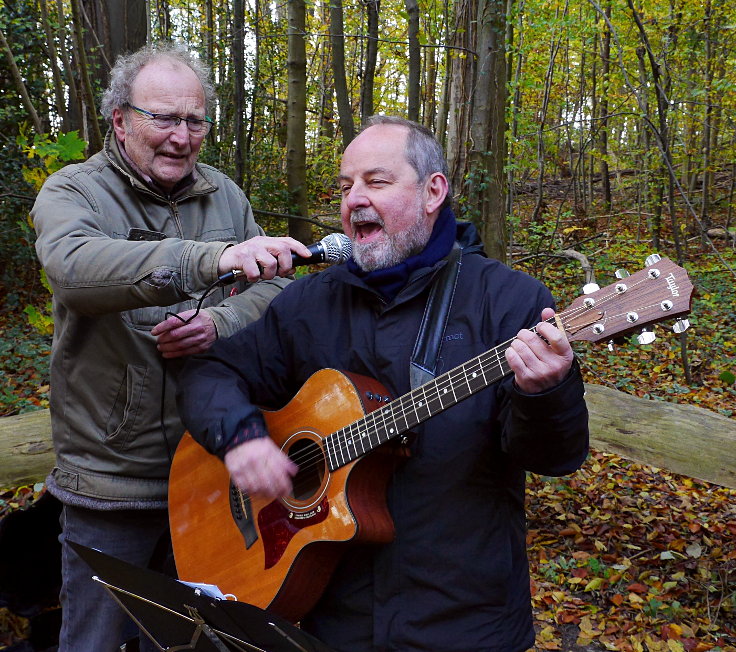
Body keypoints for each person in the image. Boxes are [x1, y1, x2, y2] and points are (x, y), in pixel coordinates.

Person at [176, 115, 589, 651]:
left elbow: (555, 456)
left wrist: (546, 392)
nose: (353, 200)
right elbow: (210, 373)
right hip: (329, 617)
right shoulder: (309, 304)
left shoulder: (510, 302)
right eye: (346, 186)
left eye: (376, 181)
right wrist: (242, 438)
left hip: (463, 621)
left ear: (432, 191)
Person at [31, 42, 312, 652]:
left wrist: (221, 323)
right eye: (164, 119)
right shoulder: (72, 192)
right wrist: (205, 259)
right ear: (121, 120)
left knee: (198, 640)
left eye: (195, 121)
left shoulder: (225, 195)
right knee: (94, 640)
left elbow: (275, 290)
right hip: (112, 481)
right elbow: (73, 269)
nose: (182, 137)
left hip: (214, 478)